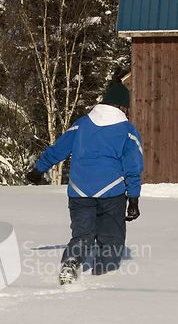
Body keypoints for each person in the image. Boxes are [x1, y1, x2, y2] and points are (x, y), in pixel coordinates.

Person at [26, 78, 144, 284]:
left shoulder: (81, 125)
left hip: (79, 191)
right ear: (121, 106)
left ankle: (71, 262)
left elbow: (58, 149)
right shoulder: (127, 131)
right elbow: (133, 167)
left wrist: (38, 169)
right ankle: (104, 277)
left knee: (82, 235)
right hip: (112, 193)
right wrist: (133, 199)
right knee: (112, 239)